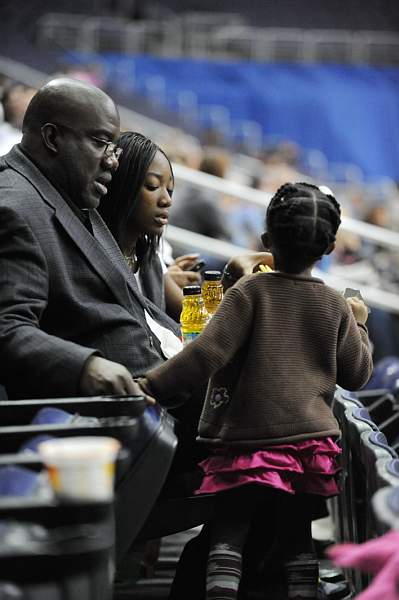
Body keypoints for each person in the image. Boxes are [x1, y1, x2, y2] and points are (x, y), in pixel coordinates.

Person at [137, 182, 374, 600]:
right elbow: (357, 375)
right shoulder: (336, 304)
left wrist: (152, 384)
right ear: (329, 248)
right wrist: (359, 323)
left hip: (246, 444)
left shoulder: (248, 292)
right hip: (307, 448)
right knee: (297, 543)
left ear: (266, 240)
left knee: (228, 538)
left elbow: (205, 355)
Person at [0, 77, 180, 400]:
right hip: (115, 410)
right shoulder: (13, 206)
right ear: (53, 137)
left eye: (113, 147)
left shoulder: (70, 191)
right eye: (100, 142)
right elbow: (7, 329)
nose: (113, 160)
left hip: (160, 383)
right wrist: (86, 368)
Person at [98, 131, 201, 322]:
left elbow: (195, 321)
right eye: (153, 186)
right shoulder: (94, 256)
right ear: (122, 185)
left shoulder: (149, 259)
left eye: (169, 190)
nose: (167, 200)